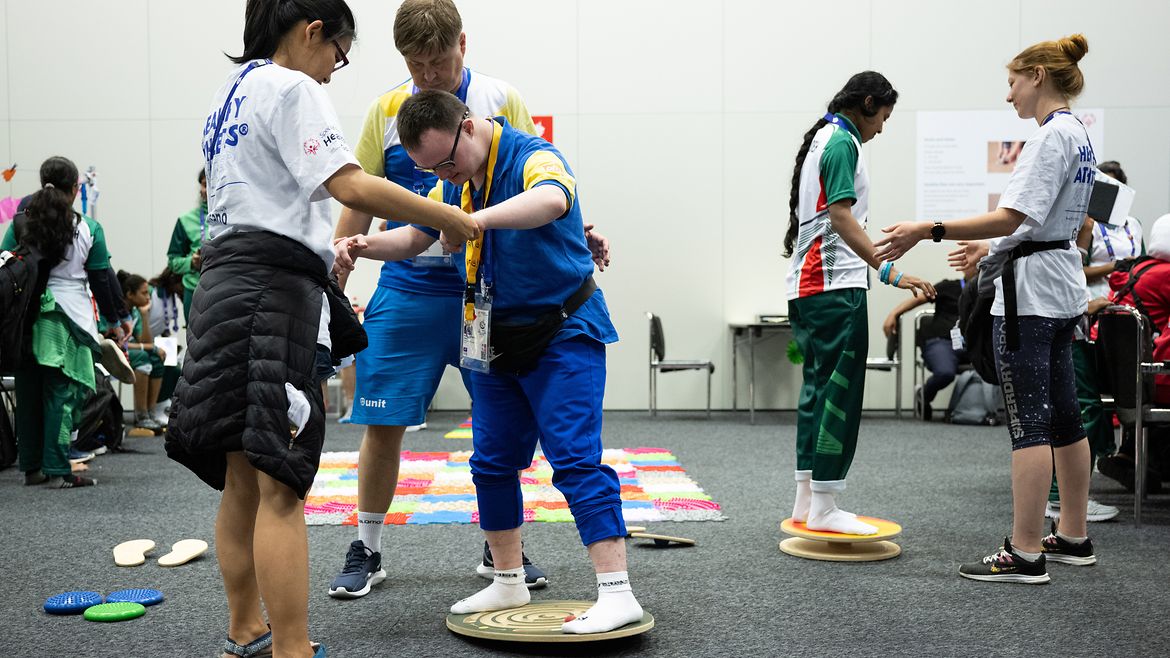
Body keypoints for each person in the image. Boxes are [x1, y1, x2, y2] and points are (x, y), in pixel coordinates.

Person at [163, 2, 476, 657]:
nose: (335, 70)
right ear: (312, 32)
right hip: (270, 298)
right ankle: (294, 648)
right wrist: (450, 219)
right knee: (282, 483)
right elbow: (351, 185)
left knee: (243, 477)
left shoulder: (229, 94)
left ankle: (247, 631)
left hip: (220, 289)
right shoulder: (292, 84)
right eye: (338, 52)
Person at [337, 89, 638, 634]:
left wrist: (472, 221)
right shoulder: (455, 182)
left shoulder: (533, 155)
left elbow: (551, 200)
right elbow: (414, 234)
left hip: (563, 331)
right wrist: (363, 245)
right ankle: (507, 578)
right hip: (494, 340)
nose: (445, 175)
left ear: (469, 127)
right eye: (433, 171)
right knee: (491, 463)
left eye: (448, 161)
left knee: (574, 459)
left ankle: (617, 593)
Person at [328, 0, 564, 599]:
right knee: (382, 420)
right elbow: (357, 192)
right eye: (416, 64)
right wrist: (336, 263)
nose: (427, 76)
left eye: (438, 61)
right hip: (406, 286)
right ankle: (368, 547)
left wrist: (575, 229)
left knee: (499, 418)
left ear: (464, 43)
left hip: (480, 286)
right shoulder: (385, 109)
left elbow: (534, 173)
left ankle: (499, 546)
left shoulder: (499, 98)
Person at [876, 34, 1097, 583]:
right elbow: (1034, 225)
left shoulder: (1049, 139)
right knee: (1066, 418)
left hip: (1031, 300)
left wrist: (930, 228)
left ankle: (1024, 553)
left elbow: (1012, 217)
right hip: (1058, 287)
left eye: (1013, 81)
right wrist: (990, 250)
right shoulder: (1079, 136)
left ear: (1039, 76)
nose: (1009, 95)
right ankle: (1072, 535)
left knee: (1029, 424)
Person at [782, 71, 935, 536]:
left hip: (808, 286)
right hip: (834, 285)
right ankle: (826, 505)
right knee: (839, 392)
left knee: (816, 389)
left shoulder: (825, 139)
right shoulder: (842, 142)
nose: (882, 128)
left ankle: (807, 499)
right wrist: (889, 269)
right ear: (867, 104)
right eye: (883, 117)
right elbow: (842, 216)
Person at [2, 156, 132, 488]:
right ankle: (59, 470)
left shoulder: (19, 221)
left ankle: (32, 469)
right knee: (61, 395)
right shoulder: (87, 227)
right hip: (65, 319)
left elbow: (5, 265)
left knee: (29, 394)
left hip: (24, 320)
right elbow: (101, 279)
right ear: (75, 189)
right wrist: (116, 322)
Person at [1093, 212, 1170, 492]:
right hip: (1150, 379)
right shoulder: (1166, 275)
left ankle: (1134, 456)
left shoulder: (1138, 270)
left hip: (1121, 376)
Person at [882, 265, 975, 421]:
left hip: (973, 345)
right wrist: (894, 313)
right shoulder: (948, 286)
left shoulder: (986, 290)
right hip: (942, 342)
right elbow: (918, 298)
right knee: (945, 373)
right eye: (974, 264)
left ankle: (979, 410)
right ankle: (924, 395)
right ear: (964, 268)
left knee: (996, 368)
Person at [110, 270, 167, 432]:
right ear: (129, 294)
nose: (148, 298)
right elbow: (116, 342)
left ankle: (150, 412)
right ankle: (141, 415)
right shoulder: (114, 309)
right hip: (110, 351)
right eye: (144, 293)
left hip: (127, 350)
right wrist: (147, 347)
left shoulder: (135, 311)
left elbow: (145, 341)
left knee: (156, 358)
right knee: (143, 356)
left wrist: (144, 316)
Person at [1077, 160, 1143, 299]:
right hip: (1096, 300)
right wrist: (1114, 267)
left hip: (1131, 299)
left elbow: (1143, 264)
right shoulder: (1088, 225)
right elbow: (1075, 272)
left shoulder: (1134, 224)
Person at [166, 168, 208, 322]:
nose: (206, 190)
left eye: (211, 184)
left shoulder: (236, 217)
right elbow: (172, 262)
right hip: (195, 290)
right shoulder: (186, 221)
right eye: (204, 185)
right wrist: (192, 262)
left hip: (228, 289)